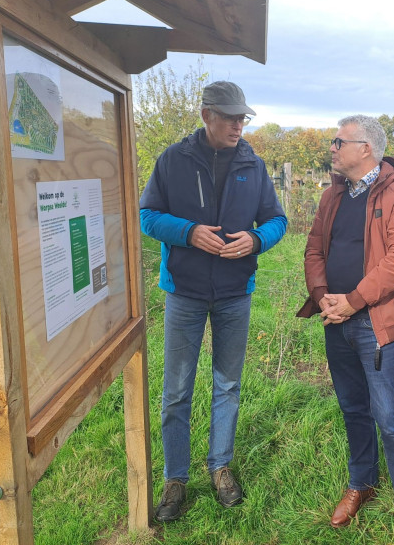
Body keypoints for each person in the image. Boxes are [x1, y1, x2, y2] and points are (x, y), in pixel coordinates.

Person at [140, 81, 287, 521]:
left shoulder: (252, 165)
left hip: (233, 295)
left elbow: (277, 220)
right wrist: (188, 232)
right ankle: (175, 477)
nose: (238, 126)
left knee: (227, 385)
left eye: (242, 118)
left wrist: (256, 240)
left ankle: (219, 466)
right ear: (206, 115)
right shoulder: (173, 160)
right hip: (184, 293)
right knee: (177, 390)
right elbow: (148, 215)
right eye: (229, 117)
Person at [296, 115, 394, 544]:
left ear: (365, 148)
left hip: (375, 323)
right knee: (353, 408)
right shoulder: (332, 195)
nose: (331, 148)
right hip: (335, 320)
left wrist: (352, 300)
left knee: (389, 415)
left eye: (339, 141)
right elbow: (314, 248)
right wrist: (322, 297)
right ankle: (362, 484)